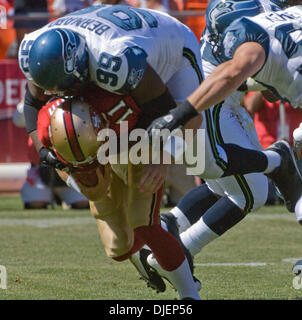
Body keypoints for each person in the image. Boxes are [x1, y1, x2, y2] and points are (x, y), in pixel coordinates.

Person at [18, 4, 203, 299]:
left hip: (173, 51)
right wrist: (47, 153)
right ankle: (143, 252)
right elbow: (31, 104)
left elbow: (177, 115)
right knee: (117, 243)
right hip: (111, 45)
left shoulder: (114, 61)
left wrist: (161, 159)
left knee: (189, 122)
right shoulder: (38, 50)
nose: (61, 94)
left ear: (80, 66)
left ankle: (190, 296)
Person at [135, 0, 302, 283]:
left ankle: (169, 225)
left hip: (226, 93)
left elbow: (268, 80)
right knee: (249, 189)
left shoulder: (269, 17)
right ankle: (179, 250)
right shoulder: (247, 20)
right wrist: (181, 114)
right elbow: (237, 69)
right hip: (210, 93)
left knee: (224, 185)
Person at [12, 100, 89, 209]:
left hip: (70, 168)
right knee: (36, 202)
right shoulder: (36, 99)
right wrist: (28, 103)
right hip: (41, 168)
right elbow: (17, 120)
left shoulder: (71, 98)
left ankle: (61, 197)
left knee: (82, 203)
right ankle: (51, 196)